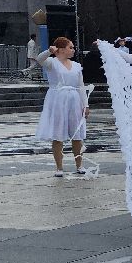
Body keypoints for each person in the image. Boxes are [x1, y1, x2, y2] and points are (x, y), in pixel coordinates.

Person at [35, 37, 92, 177]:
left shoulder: (76, 66)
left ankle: (79, 165)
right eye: (70, 47)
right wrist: (49, 51)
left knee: (77, 134)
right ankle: (59, 168)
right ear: (61, 49)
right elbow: (39, 59)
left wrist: (85, 105)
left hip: (73, 99)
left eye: (73, 47)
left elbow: (80, 86)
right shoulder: (52, 63)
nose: (73, 50)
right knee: (58, 134)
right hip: (58, 99)